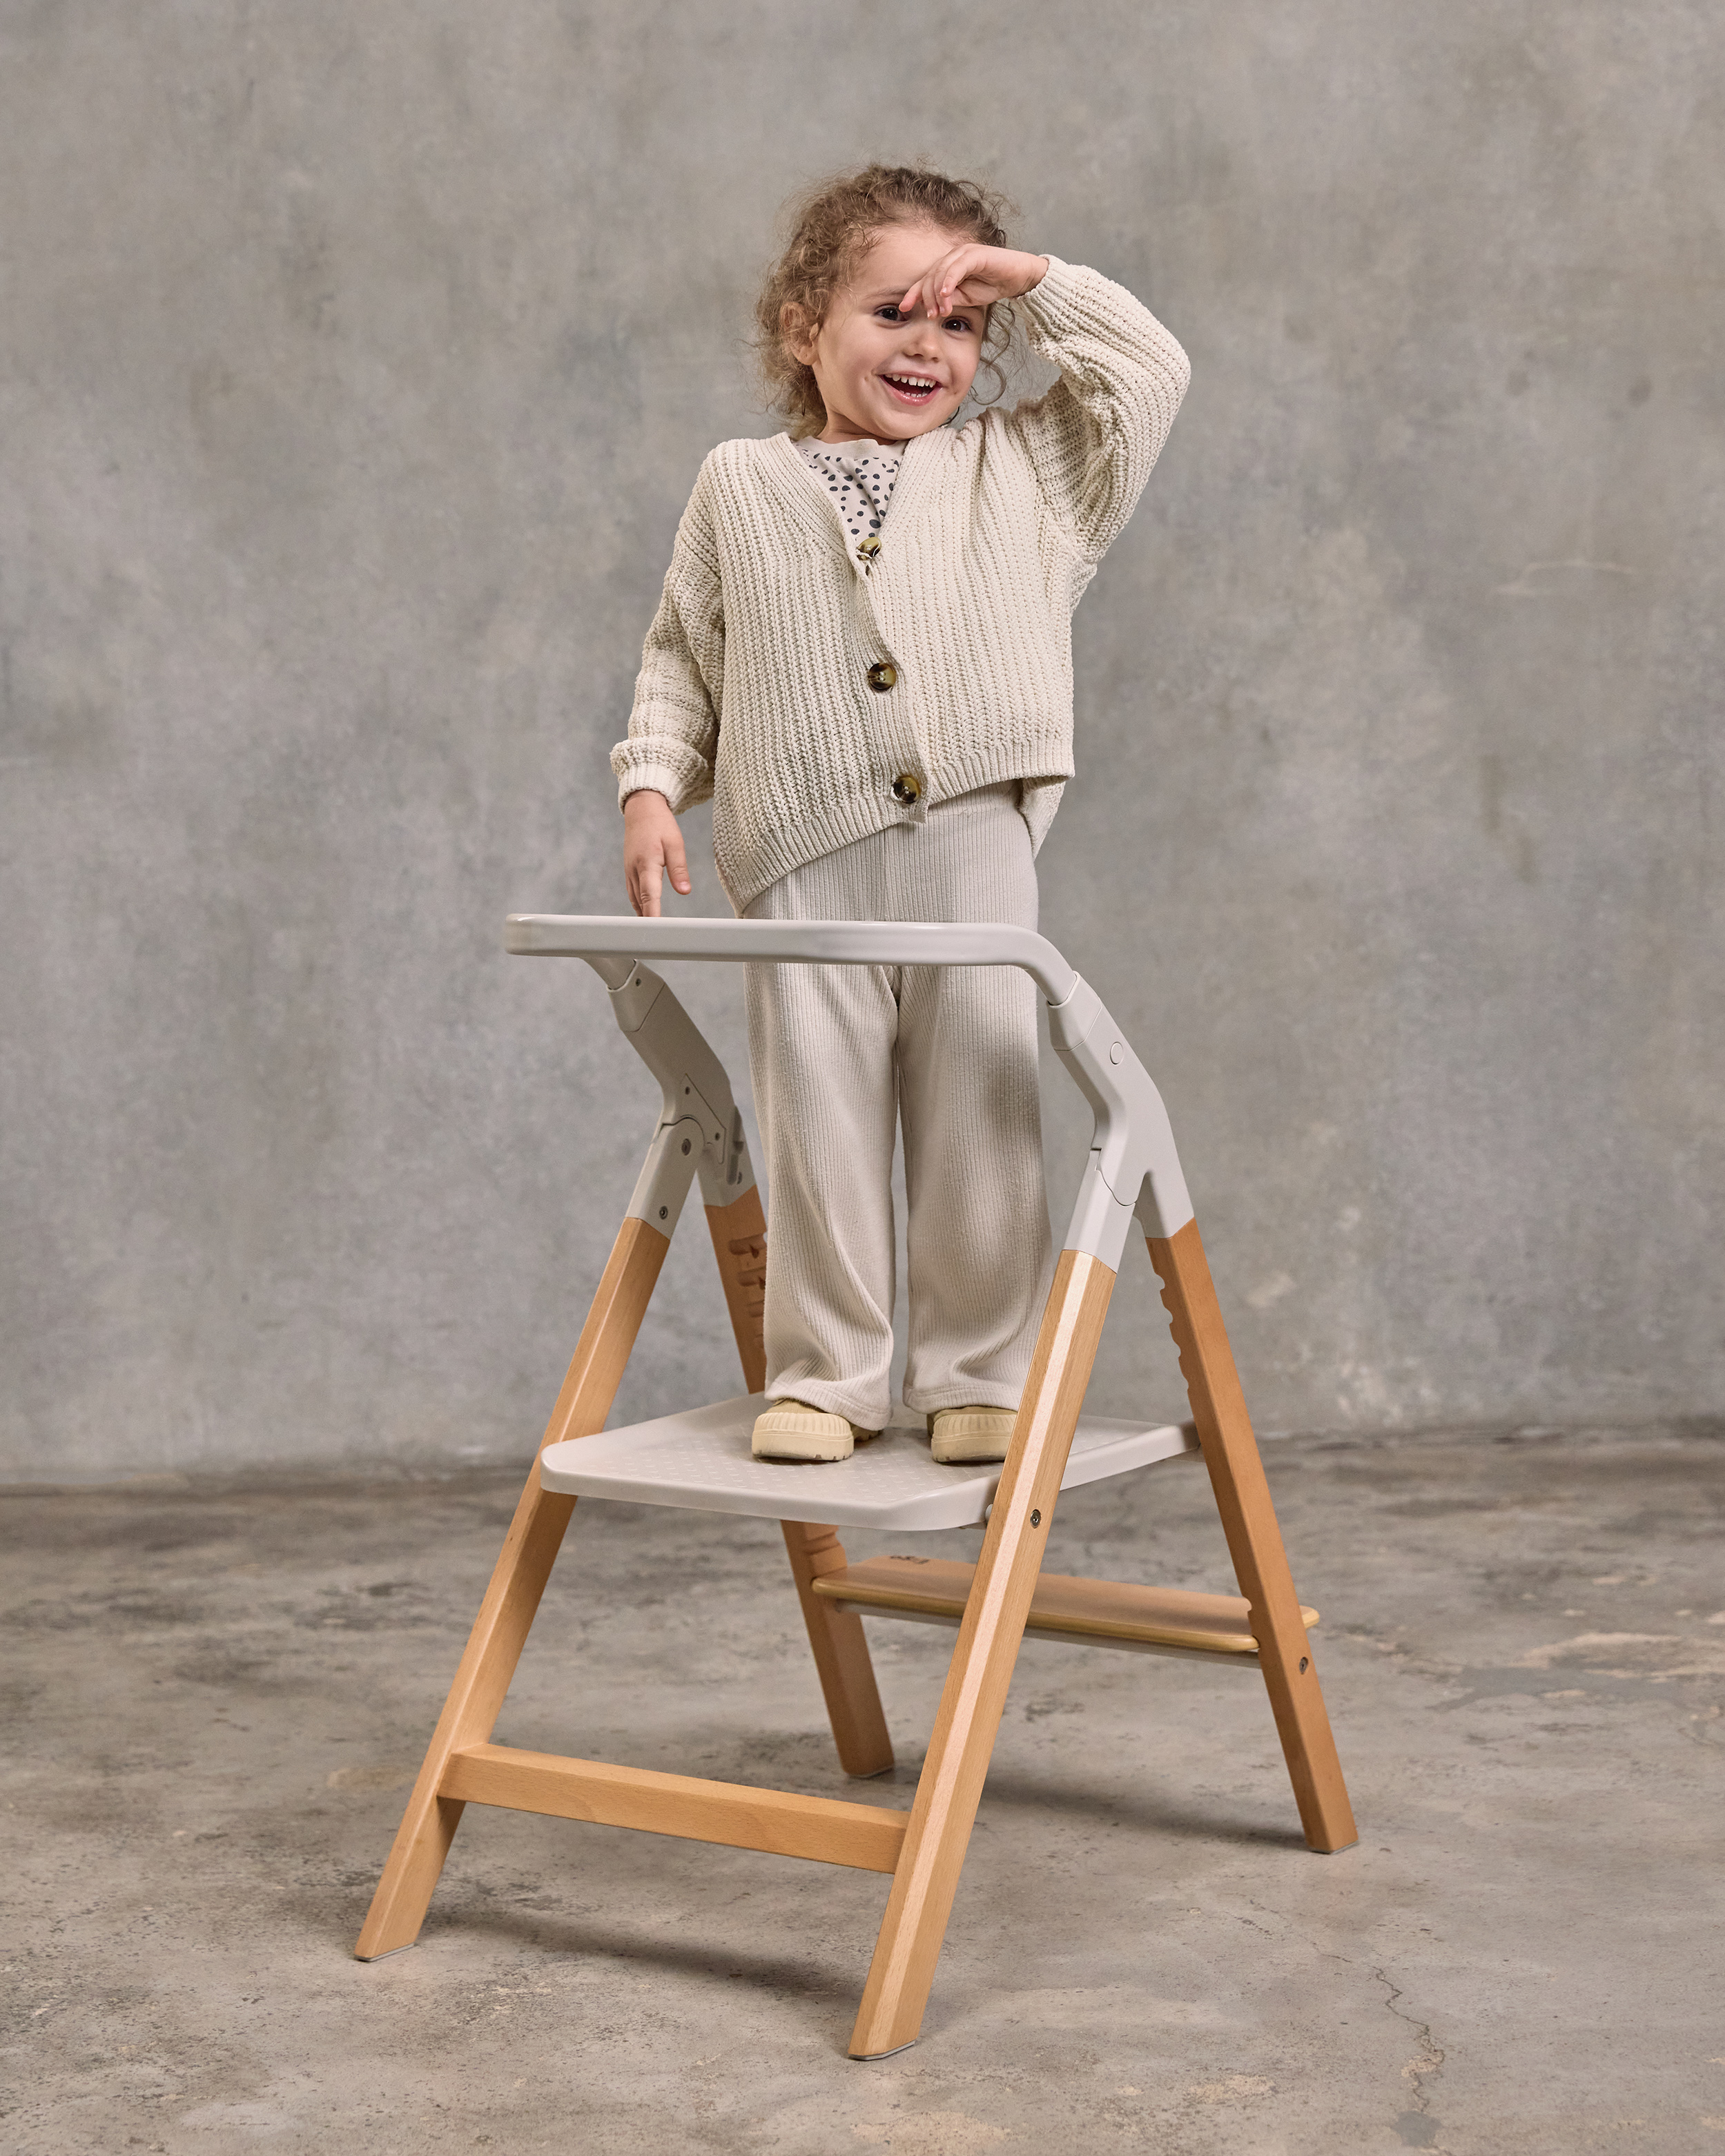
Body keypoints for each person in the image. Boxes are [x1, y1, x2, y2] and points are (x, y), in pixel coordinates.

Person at [613, 164, 1187, 1465]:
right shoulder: (740, 486)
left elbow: (1150, 373)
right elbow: (680, 657)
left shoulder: (1030, 476)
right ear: (801, 328)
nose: (929, 344)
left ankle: (977, 1364)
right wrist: (652, 784)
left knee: (982, 1108)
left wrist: (1032, 283)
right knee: (817, 1117)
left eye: (959, 320)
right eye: (890, 311)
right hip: (801, 852)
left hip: (976, 842)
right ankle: (825, 1374)